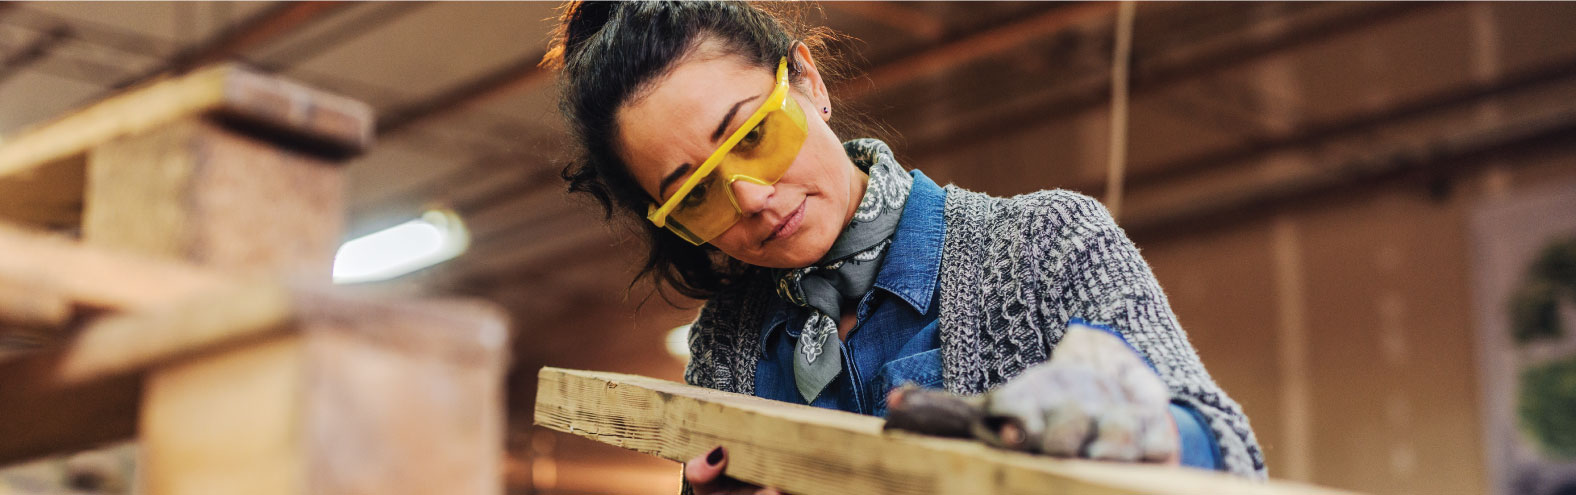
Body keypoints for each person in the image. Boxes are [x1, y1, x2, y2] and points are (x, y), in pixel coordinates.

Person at [542, 2, 1267, 492]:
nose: (751, 199)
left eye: (754, 134)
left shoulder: (1046, 244)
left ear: (807, 82)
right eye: (695, 191)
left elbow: (1233, 459)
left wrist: (1140, 433)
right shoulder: (727, 344)